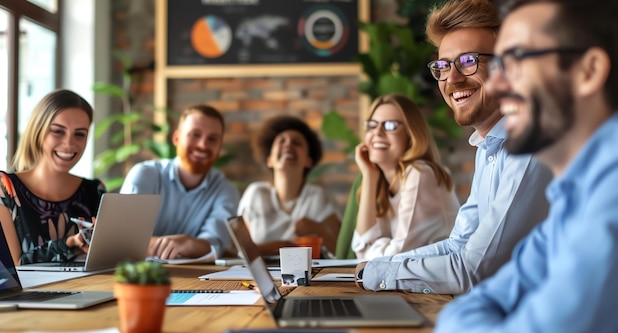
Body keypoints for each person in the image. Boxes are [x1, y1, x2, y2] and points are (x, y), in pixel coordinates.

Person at [434, 0, 618, 333]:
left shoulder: (612, 191)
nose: (499, 84)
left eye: (516, 60)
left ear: (588, 71)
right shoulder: (573, 191)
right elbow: (483, 297)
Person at [355, 0, 552, 294]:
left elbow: (473, 270)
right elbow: (458, 244)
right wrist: (378, 267)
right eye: (443, 66)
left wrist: (378, 273)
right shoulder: (490, 149)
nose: (452, 78)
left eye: (468, 61)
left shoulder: (530, 145)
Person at [0, 89, 104, 265]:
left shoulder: (94, 190)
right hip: (34, 293)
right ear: (38, 131)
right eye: (58, 131)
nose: (69, 143)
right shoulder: (3, 188)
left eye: (79, 134)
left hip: (93, 289)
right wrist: (69, 244)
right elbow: (14, 266)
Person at [120, 104, 239, 260]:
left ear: (219, 147)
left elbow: (217, 244)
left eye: (212, 139)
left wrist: (189, 243)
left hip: (195, 279)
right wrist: (180, 245)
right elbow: (123, 238)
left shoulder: (226, 190)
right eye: (195, 135)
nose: (203, 145)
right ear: (176, 138)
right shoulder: (145, 175)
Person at [351, 93, 459, 260]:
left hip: (440, 284)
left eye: (390, 125)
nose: (377, 132)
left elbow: (399, 256)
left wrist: (373, 250)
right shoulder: (380, 181)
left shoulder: (420, 173)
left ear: (411, 134)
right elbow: (361, 249)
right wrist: (369, 176)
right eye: (372, 125)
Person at [238, 115, 342, 257]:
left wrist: (317, 228)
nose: (288, 145)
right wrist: (287, 245)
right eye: (282, 141)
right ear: (269, 160)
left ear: (308, 161)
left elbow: (341, 251)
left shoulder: (317, 196)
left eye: (297, 143)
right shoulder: (255, 194)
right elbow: (241, 251)